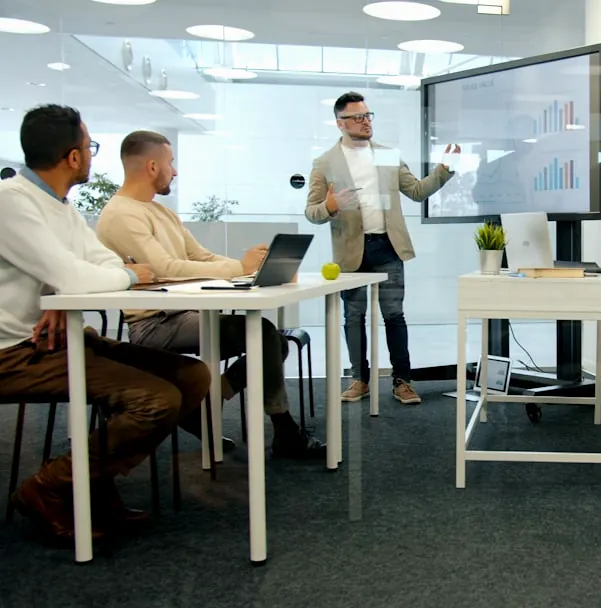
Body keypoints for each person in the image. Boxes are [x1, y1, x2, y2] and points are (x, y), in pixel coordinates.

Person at [0, 105, 211, 544]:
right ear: (72, 158)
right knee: (155, 400)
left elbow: (99, 264)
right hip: (14, 353)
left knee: (191, 375)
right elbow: (86, 274)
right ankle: (49, 488)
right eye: (89, 147)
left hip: (58, 339)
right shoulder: (12, 202)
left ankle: (89, 482)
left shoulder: (59, 206)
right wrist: (125, 276)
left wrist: (68, 287)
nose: (93, 157)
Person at [96, 130, 325, 459]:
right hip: (154, 324)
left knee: (273, 340)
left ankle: (205, 403)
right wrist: (238, 268)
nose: (174, 171)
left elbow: (200, 257)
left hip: (188, 314)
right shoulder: (121, 214)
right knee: (261, 334)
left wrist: (247, 268)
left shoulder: (161, 212)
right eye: (170, 163)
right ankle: (282, 429)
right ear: (151, 166)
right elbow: (165, 268)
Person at [305, 91, 459, 405]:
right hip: (351, 252)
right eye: (357, 117)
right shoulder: (324, 163)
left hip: (388, 247)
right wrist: (331, 206)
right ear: (340, 123)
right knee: (354, 317)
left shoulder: (387, 154)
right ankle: (359, 379)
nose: (365, 122)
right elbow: (312, 212)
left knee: (394, 315)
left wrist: (444, 169)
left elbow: (416, 191)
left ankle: (403, 381)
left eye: (368, 115)